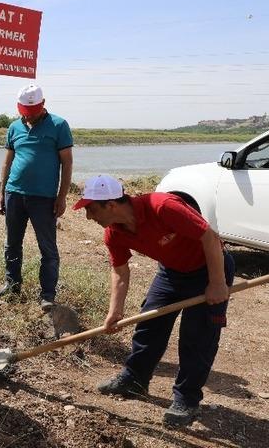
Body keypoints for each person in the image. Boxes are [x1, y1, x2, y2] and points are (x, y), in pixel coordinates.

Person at [73, 174, 234, 426]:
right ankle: (134, 379)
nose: (88, 217)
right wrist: (115, 311)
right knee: (149, 324)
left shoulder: (163, 206)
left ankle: (187, 400)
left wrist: (217, 283)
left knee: (197, 336)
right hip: (172, 272)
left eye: (91, 209)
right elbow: (120, 271)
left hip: (208, 268)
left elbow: (210, 238)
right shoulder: (114, 233)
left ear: (111, 205)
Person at [0, 84, 74, 310]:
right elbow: (7, 161)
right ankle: (12, 284)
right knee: (12, 243)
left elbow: (67, 163)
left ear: (43, 104)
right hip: (14, 194)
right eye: (24, 111)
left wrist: (62, 196)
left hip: (44, 198)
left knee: (47, 248)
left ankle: (47, 294)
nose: (28, 115)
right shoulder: (14, 127)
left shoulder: (59, 125)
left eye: (33, 111)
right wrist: (1, 192)